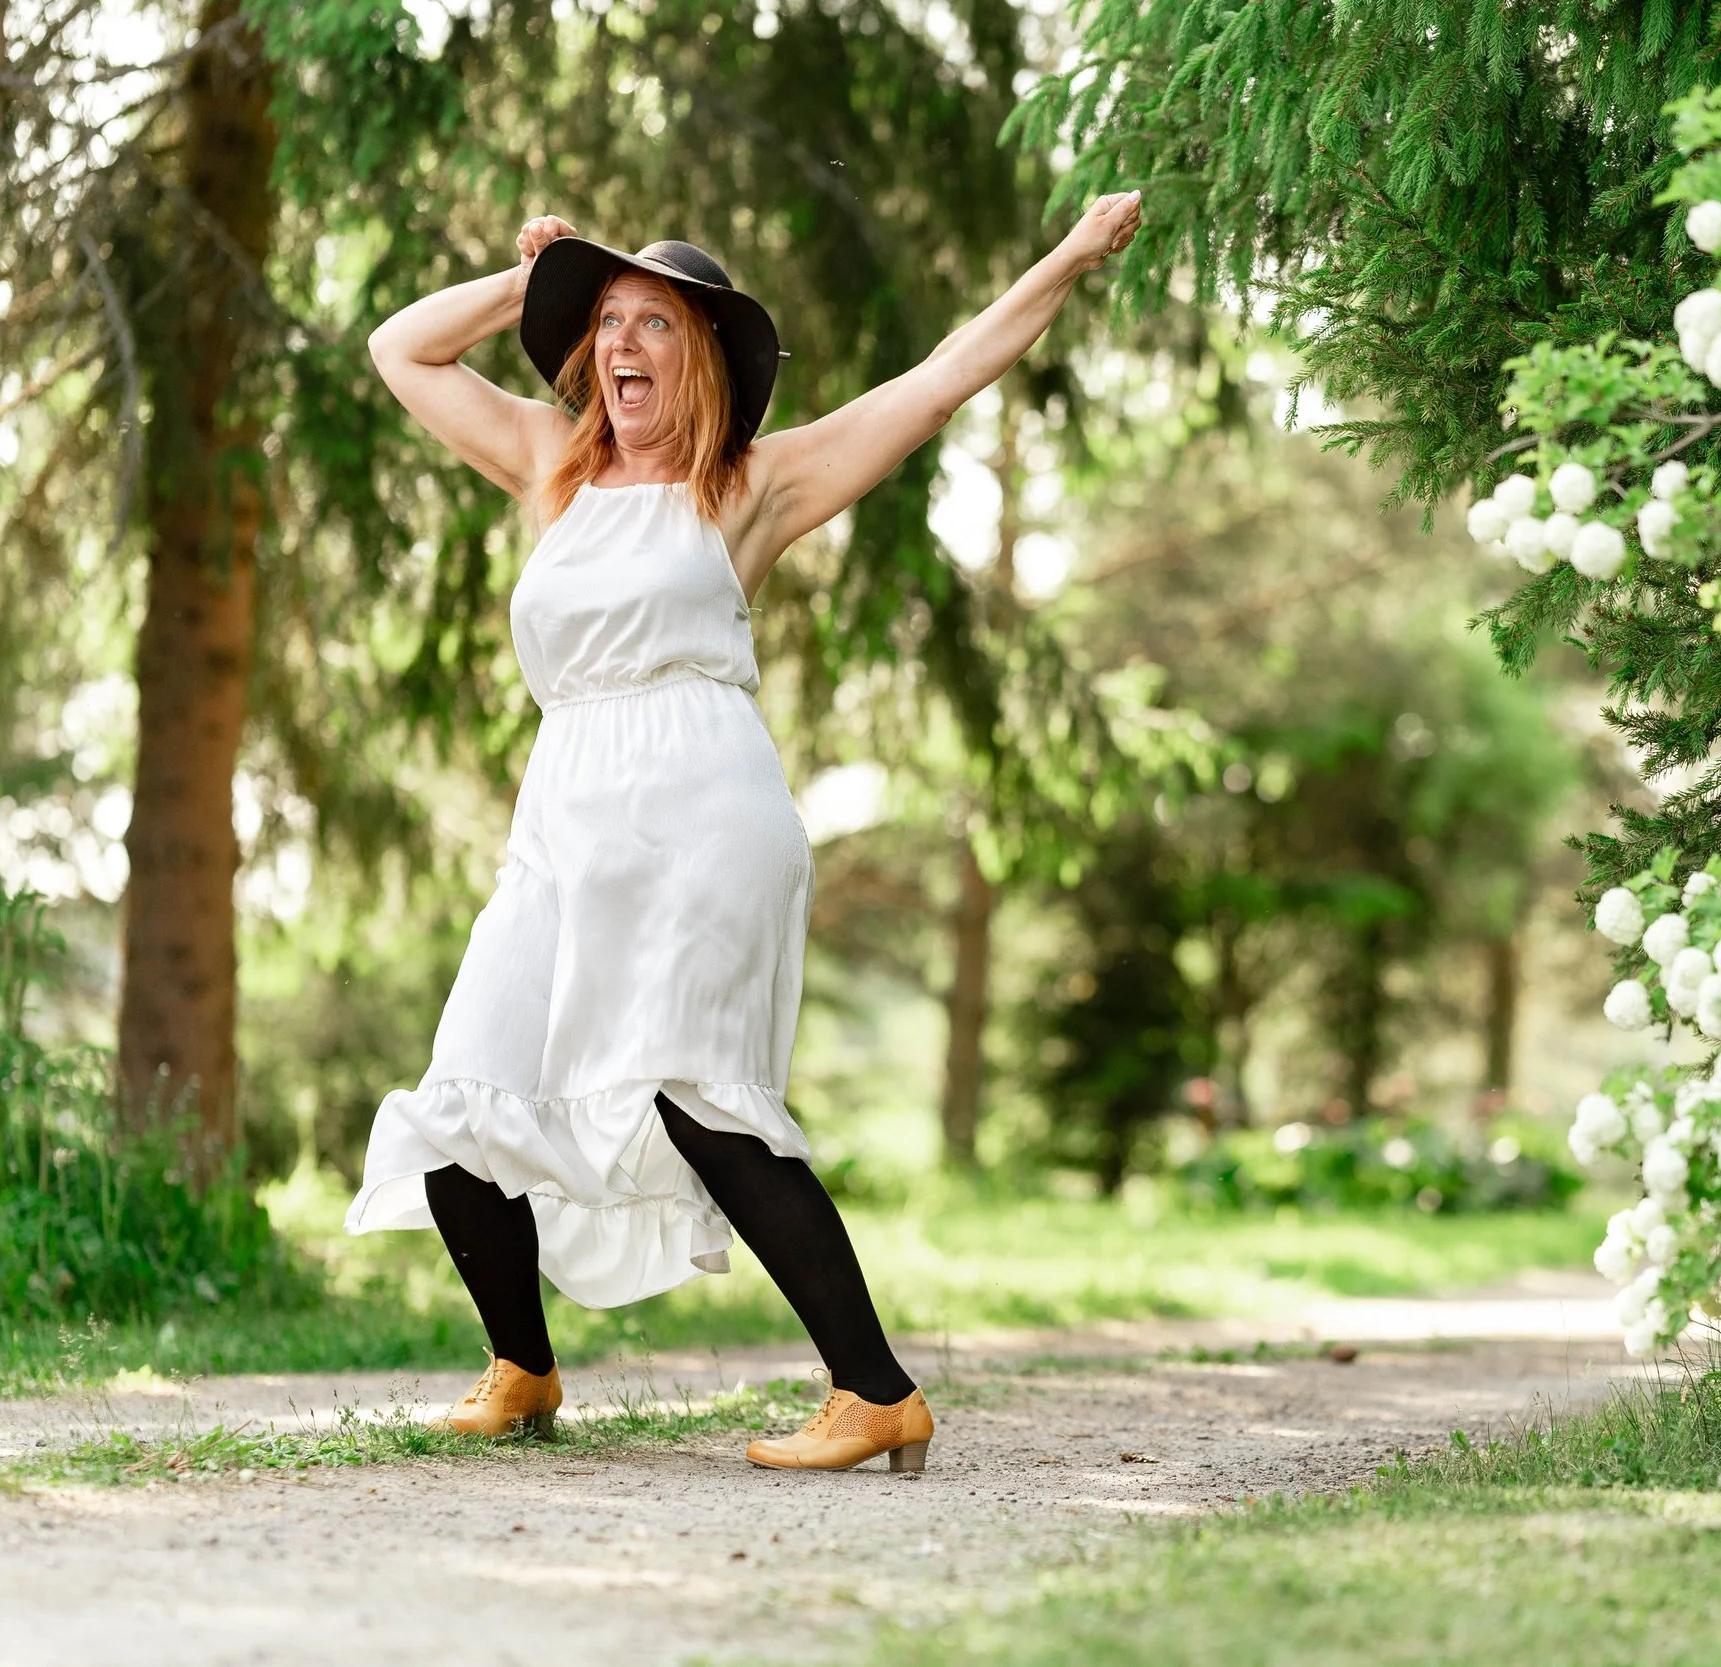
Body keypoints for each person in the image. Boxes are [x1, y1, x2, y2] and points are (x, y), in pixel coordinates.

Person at [343, 191, 1144, 1472]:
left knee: (700, 1100)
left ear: (702, 354)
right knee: (462, 1096)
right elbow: (399, 349)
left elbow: (938, 381)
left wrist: (1065, 255)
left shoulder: (749, 486)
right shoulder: (553, 463)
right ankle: (523, 1368)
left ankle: (873, 1389)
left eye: (654, 322)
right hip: (563, 820)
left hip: (703, 816)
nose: (625, 343)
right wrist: (529, 278)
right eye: (607, 321)